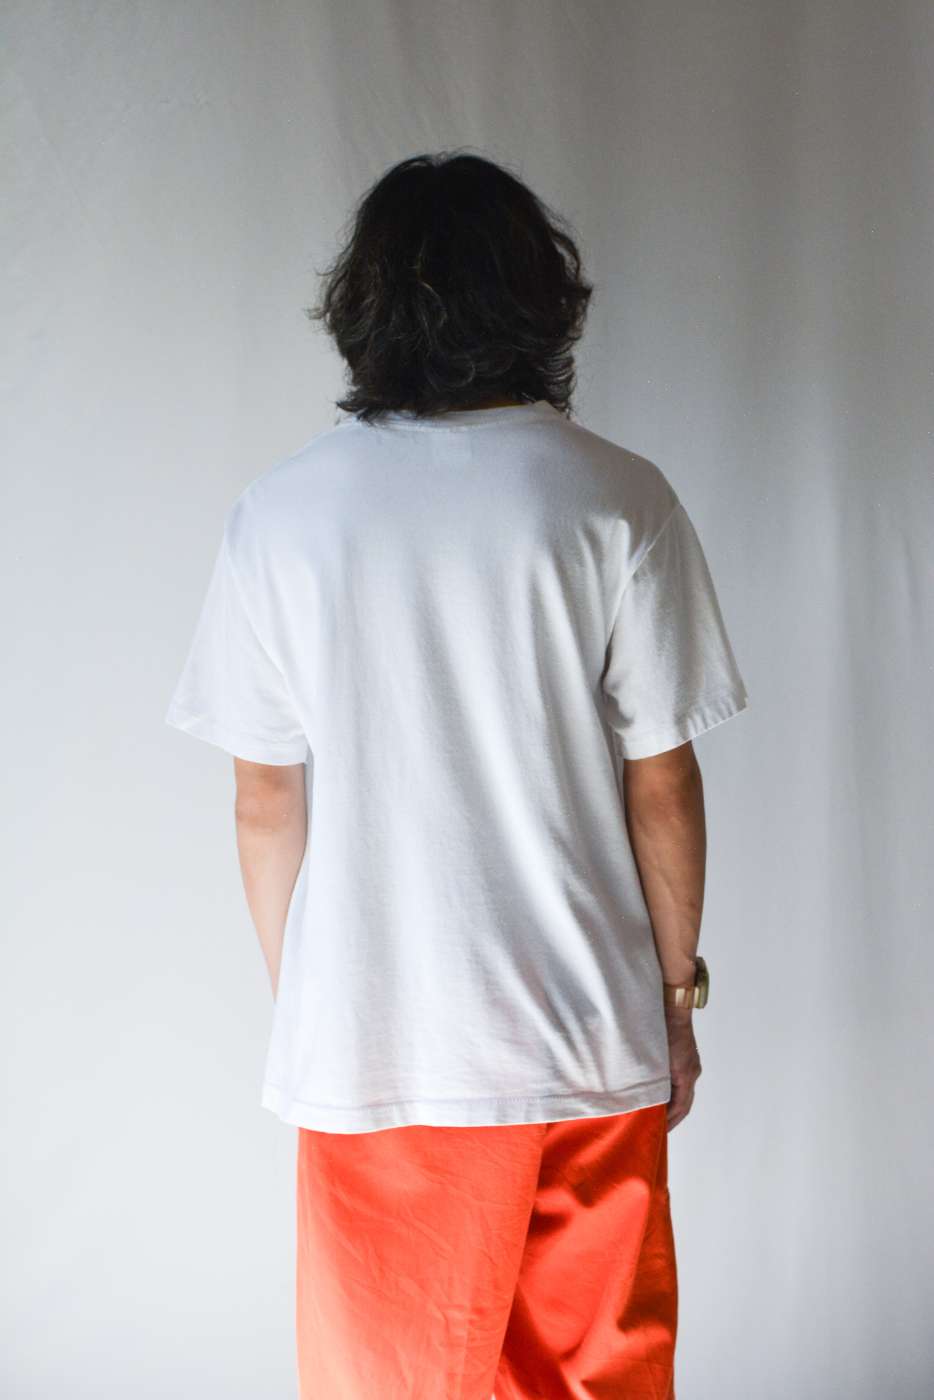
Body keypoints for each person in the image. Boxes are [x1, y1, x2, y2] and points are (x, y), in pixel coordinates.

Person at [165, 150, 749, 1400]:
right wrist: (675, 999)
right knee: (596, 1378)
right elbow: (661, 780)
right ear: (542, 299)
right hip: (585, 1033)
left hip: (379, 1049)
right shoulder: (616, 498)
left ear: (363, 304)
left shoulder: (282, 515)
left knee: (390, 1380)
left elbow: (264, 797)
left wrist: (316, 996)